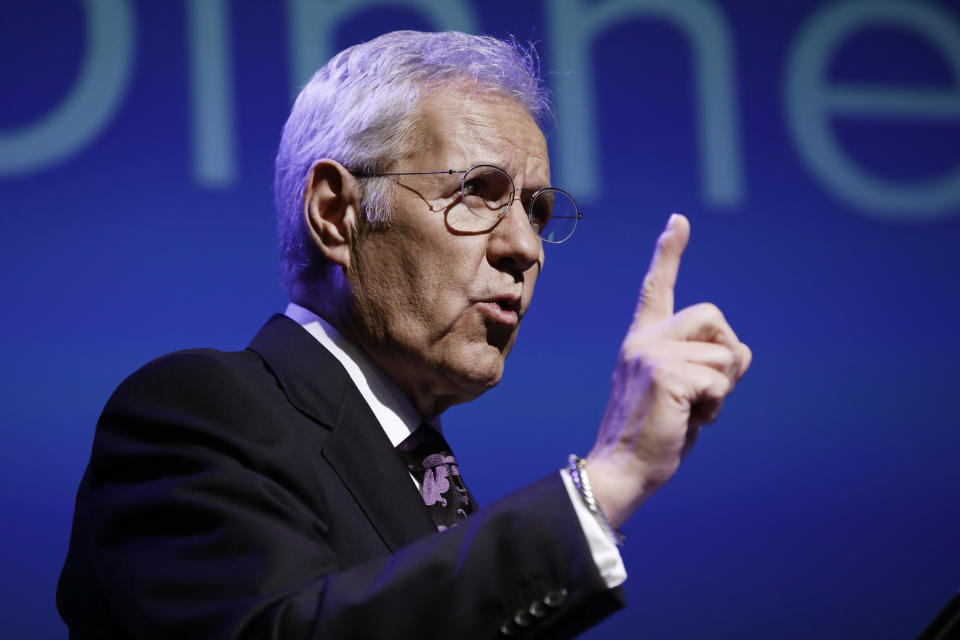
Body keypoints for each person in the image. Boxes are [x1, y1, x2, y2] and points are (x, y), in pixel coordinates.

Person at [57, 30, 751, 639]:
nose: (525, 249)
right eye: (478, 192)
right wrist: (614, 475)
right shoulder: (195, 414)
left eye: (537, 211)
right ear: (337, 214)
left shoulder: (427, 483)